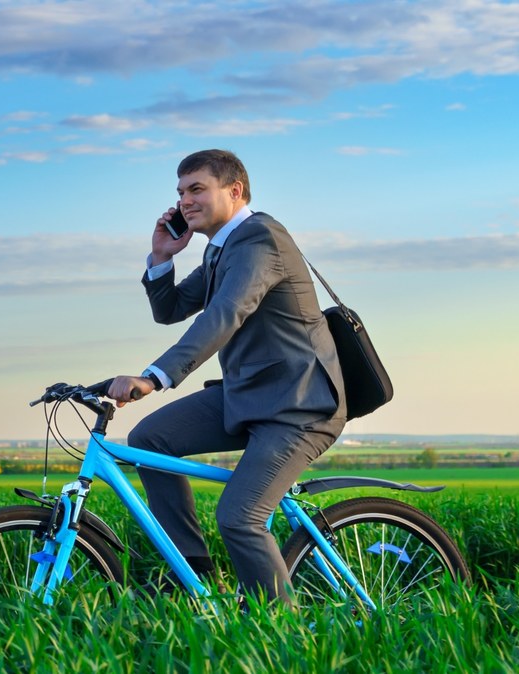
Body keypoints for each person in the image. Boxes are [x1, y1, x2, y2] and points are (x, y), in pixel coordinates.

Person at [106, 149, 346, 604]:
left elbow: (225, 314)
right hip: (249, 396)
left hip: (299, 407)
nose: (184, 202)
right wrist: (161, 256)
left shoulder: (260, 240)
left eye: (197, 189)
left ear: (234, 191)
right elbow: (171, 310)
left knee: (240, 516)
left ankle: (283, 632)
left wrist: (154, 378)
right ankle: (193, 575)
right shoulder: (223, 248)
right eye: (180, 193)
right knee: (150, 441)